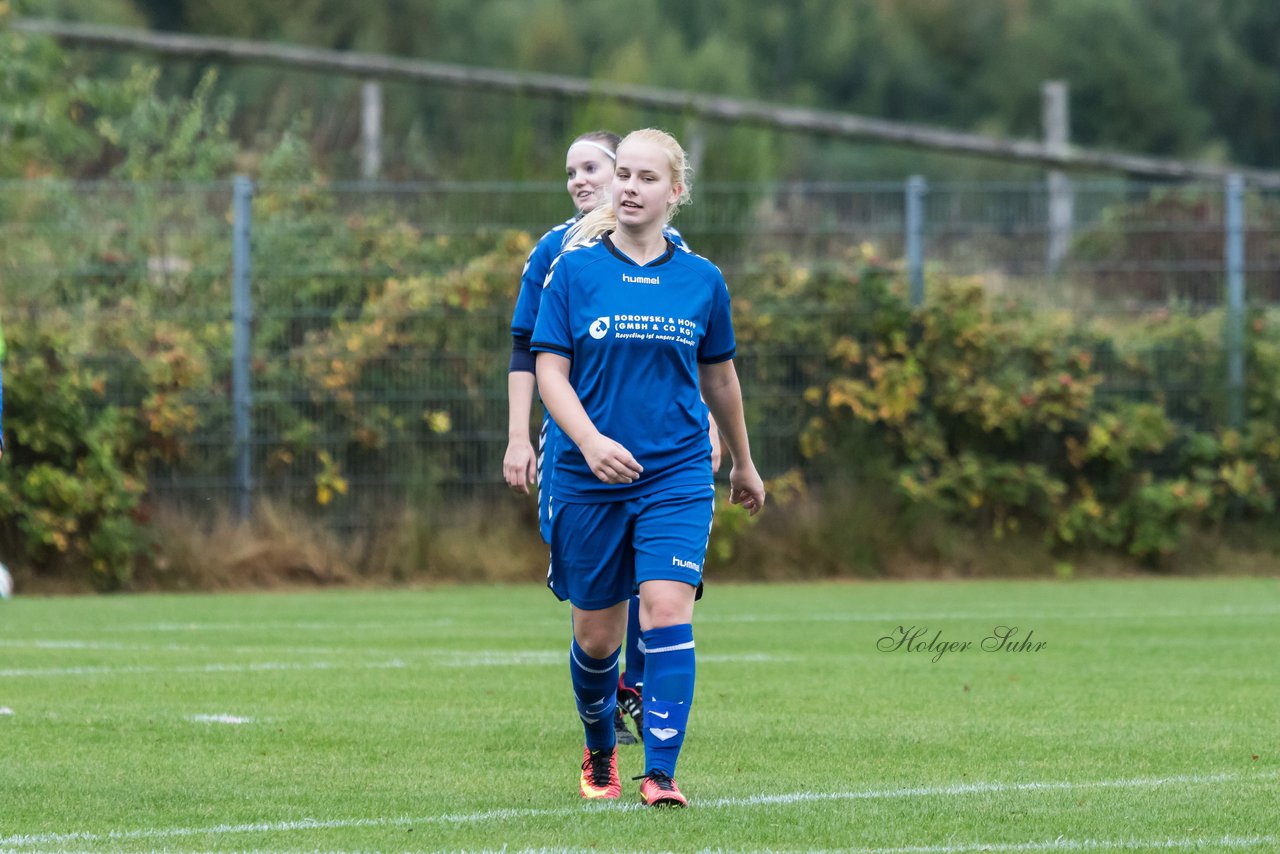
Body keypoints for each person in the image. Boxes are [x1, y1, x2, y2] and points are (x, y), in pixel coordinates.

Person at [531, 127, 764, 806]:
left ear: (676, 192)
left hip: (677, 473)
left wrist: (743, 462)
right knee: (598, 639)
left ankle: (661, 772)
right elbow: (550, 370)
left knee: (665, 610)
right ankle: (600, 747)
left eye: (645, 178)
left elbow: (720, 378)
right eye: (623, 175)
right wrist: (591, 442)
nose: (629, 187)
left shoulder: (702, 280)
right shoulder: (573, 272)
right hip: (587, 476)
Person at [503, 131, 716, 746]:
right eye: (572, 170)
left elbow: (688, 351)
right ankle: (607, 693)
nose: (583, 180)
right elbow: (532, 352)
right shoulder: (560, 256)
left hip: (665, 460)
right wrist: (521, 436)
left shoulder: (678, 255)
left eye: (594, 166)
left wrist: (706, 422)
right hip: (579, 453)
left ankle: (643, 696)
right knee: (598, 616)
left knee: (660, 590)